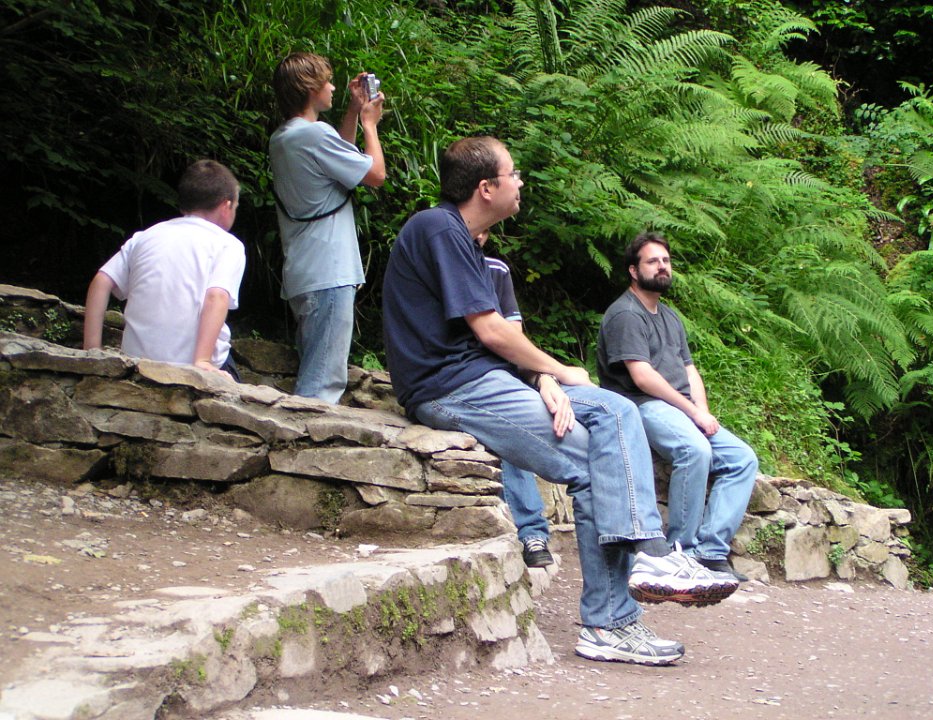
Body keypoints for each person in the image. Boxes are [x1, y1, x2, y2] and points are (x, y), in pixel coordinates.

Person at [382, 137, 736, 666]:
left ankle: (640, 571)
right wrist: (559, 369)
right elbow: (490, 330)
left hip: (483, 378)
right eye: (513, 174)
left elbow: (494, 339)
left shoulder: (467, 241)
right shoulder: (438, 228)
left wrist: (540, 377)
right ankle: (621, 604)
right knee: (596, 465)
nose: (520, 182)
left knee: (617, 410)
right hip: (450, 388)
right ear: (486, 187)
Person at [597, 232, 758, 581]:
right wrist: (692, 412)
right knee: (694, 450)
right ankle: (679, 552)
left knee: (743, 459)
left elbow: (689, 370)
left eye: (666, 261)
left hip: (680, 407)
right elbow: (642, 377)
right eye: (652, 261)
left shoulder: (670, 317)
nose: (662, 266)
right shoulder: (625, 314)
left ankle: (710, 552)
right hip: (641, 405)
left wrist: (702, 410)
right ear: (633, 271)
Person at [269, 52, 386, 403]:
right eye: (328, 82)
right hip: (329, 271)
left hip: (305, 270)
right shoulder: (314, 134)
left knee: (315, 368)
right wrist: (369, 124)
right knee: (321, 385)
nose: (333, 87)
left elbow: (339, 159)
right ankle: (301, 436)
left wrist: (352, 111)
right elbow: (375, 175)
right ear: (311, 89)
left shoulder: (285, 137)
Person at [83, 159, 246, 379]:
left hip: (136, 363)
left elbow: (101, 281)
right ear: (226, 206)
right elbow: (216, 297)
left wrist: (92, 349)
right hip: (189, 366)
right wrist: (202, 361)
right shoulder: (227, 244)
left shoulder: (146, 236)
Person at [482, 240, 553, 568]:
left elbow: (513, 337)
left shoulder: (495, 270)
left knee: (514, 426)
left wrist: (544, 376)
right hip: (451, 379)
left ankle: (532, 532)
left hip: (498, 376)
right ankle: (530, 529)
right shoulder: (433, 268)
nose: (478, 236)